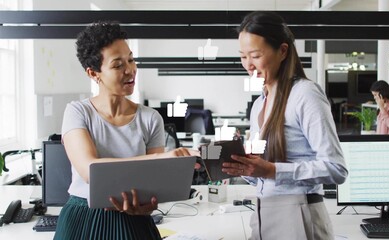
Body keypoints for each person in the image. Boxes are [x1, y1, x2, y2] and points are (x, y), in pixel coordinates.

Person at [54, 21, 197, 240]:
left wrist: (147, 206)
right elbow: (90, 170)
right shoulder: (77, 112)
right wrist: (162, 158)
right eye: (118, 65)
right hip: (83, 219)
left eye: (130, 59)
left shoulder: (150, 118)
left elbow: (154, 184)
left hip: (133, 220)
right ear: (94, 73)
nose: (130, 69)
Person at [222, 11, 348, 240]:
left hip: (298, 214)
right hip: (263, 213)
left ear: (282, 51)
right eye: (243, 57)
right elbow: (261, 175)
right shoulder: (259, 104)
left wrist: (272, 170)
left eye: (255, 55)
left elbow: (336, 168)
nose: (248, 65)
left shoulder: (305, 95)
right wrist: (240, 166)